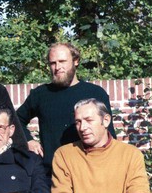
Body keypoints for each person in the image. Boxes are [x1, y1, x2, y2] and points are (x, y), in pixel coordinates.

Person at [16, 42, 116, 177]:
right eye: (53, 63)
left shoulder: (95, 93)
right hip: (52, 173)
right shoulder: (41, 94)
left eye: (62, 61)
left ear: (76, 61)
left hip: (90, 172)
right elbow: (16, 119)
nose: (58, 67)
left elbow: (109, 135)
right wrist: (28, 140)